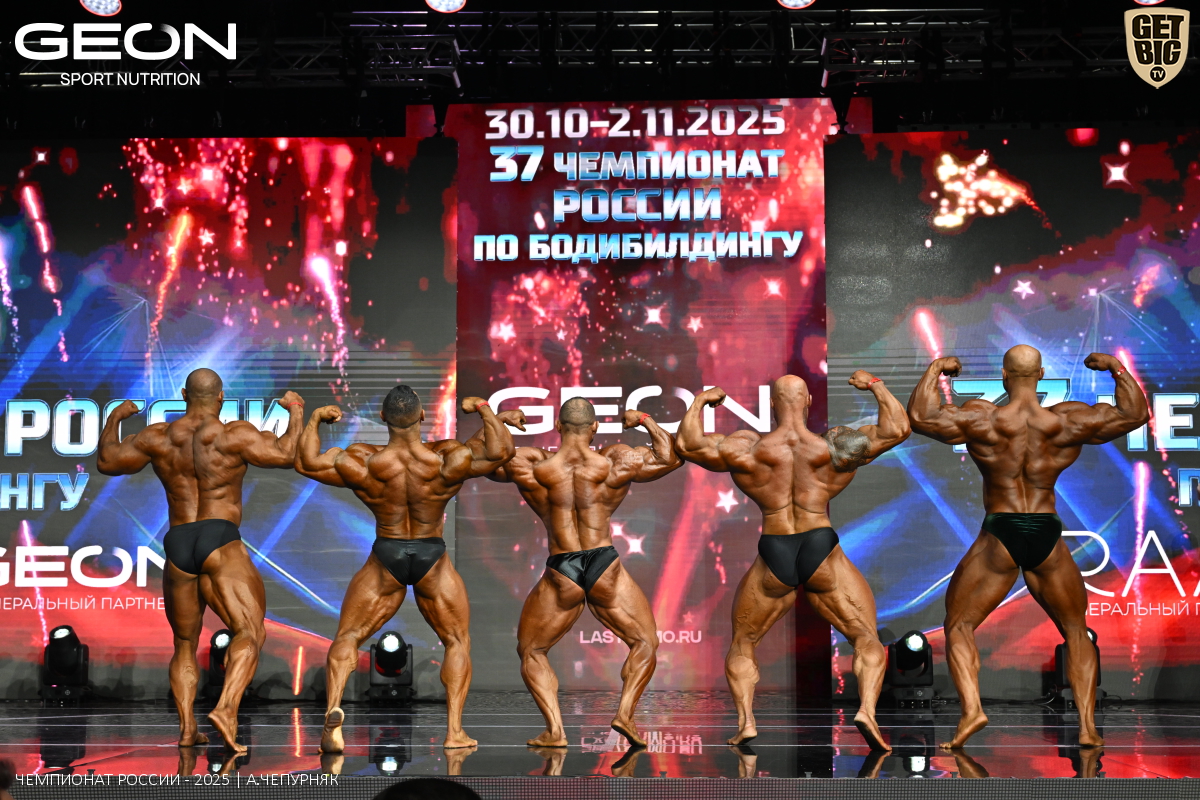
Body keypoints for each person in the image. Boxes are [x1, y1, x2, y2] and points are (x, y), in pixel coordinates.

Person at [908, 347, 1149, 749]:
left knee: (959, 625)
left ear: (1004, 375)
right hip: (1046, 530)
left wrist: (936, 369)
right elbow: (1134, 415)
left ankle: (972, 711)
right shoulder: (1065, 420)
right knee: (1076, 630)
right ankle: (1087, 727)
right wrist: (1116, 369)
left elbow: (921, 417)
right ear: (1041, 374)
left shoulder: (984, 417)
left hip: (1000, 531)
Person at [675, 373, 909, 750]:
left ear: (771, 405)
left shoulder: (748, 448)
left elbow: (688, 444)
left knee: (744, 642)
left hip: (775, 548)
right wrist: (876, 386)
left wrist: (701, 401)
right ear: (809, 402)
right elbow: (897, 428)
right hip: (821, 546)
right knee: (865, 637)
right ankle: (867, 710)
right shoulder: (835, 446)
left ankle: (746, 722)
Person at [295, 387, 523, 752]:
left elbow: (306, 462)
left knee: (349, 636)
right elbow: (500, 452)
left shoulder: (363, 460)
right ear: (422, 416)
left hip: (387, 552)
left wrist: (315, 420)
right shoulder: (445, 458)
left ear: (383, 418)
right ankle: (454, 732)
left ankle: (334, 710)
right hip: (432, 554)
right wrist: (484, 409)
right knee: (456, 640)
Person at [98, 369, 304, 753]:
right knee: (250, 631)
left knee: (184, 644)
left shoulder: (158, 437)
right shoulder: (233, 435)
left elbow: (107, 461)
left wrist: (115, 418)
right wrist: (294, 409)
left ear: (183, 394)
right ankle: (226, 708)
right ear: (221, 397)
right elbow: (287, 454)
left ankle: (187, 729)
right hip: (219, 537)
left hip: (178, 541)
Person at [487, 399, 681, 748]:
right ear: (594, 428)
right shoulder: (614, 461)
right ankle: (625, 714)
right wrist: (644, 419)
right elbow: (668, 457)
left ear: (558, 427)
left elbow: (488, 457)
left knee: (531, 650)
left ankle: (555, 731)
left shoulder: (534, 465)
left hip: (563, 566)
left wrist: (498, 421)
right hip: (603, 562)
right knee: (645, 643)